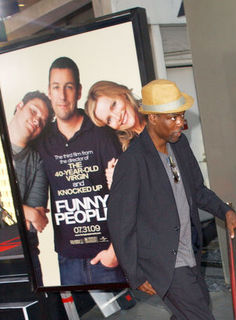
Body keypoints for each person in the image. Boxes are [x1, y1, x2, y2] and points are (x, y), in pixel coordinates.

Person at [107, 79, 236, 320]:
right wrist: (136, 274)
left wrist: (226, 211)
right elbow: (120, 223)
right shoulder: (133, 161)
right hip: (164, 263)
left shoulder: (179, 145)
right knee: (200, 315)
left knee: (192, 310)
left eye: (181, 116)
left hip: (190, 252)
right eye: (173, 117)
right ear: (152, 118)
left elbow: (198, 190)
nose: (181, 123)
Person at [36, 57, 125, 285]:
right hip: (68, 260)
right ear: (49, 91)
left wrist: (115, 252)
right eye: (56, 87)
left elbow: (124, 193)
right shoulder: (43, 140)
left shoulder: (101, 132)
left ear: (78, 91)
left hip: (108, 256)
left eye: (68, 87)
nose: (62, 95)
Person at [8, 90, 53, 286]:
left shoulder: (37, 161)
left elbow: (35, 223)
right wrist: (27, 212)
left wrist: (33, 216)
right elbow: (32, 215)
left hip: (24, 252)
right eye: (34, 111)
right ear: (19, 106)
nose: (37, 121)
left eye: (42, 121)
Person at [85, 80, 146, 151]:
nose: (117, 117)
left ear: (123, 94)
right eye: (109, 120)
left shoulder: (157, 109)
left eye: (114, 105)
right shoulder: (128, 150)